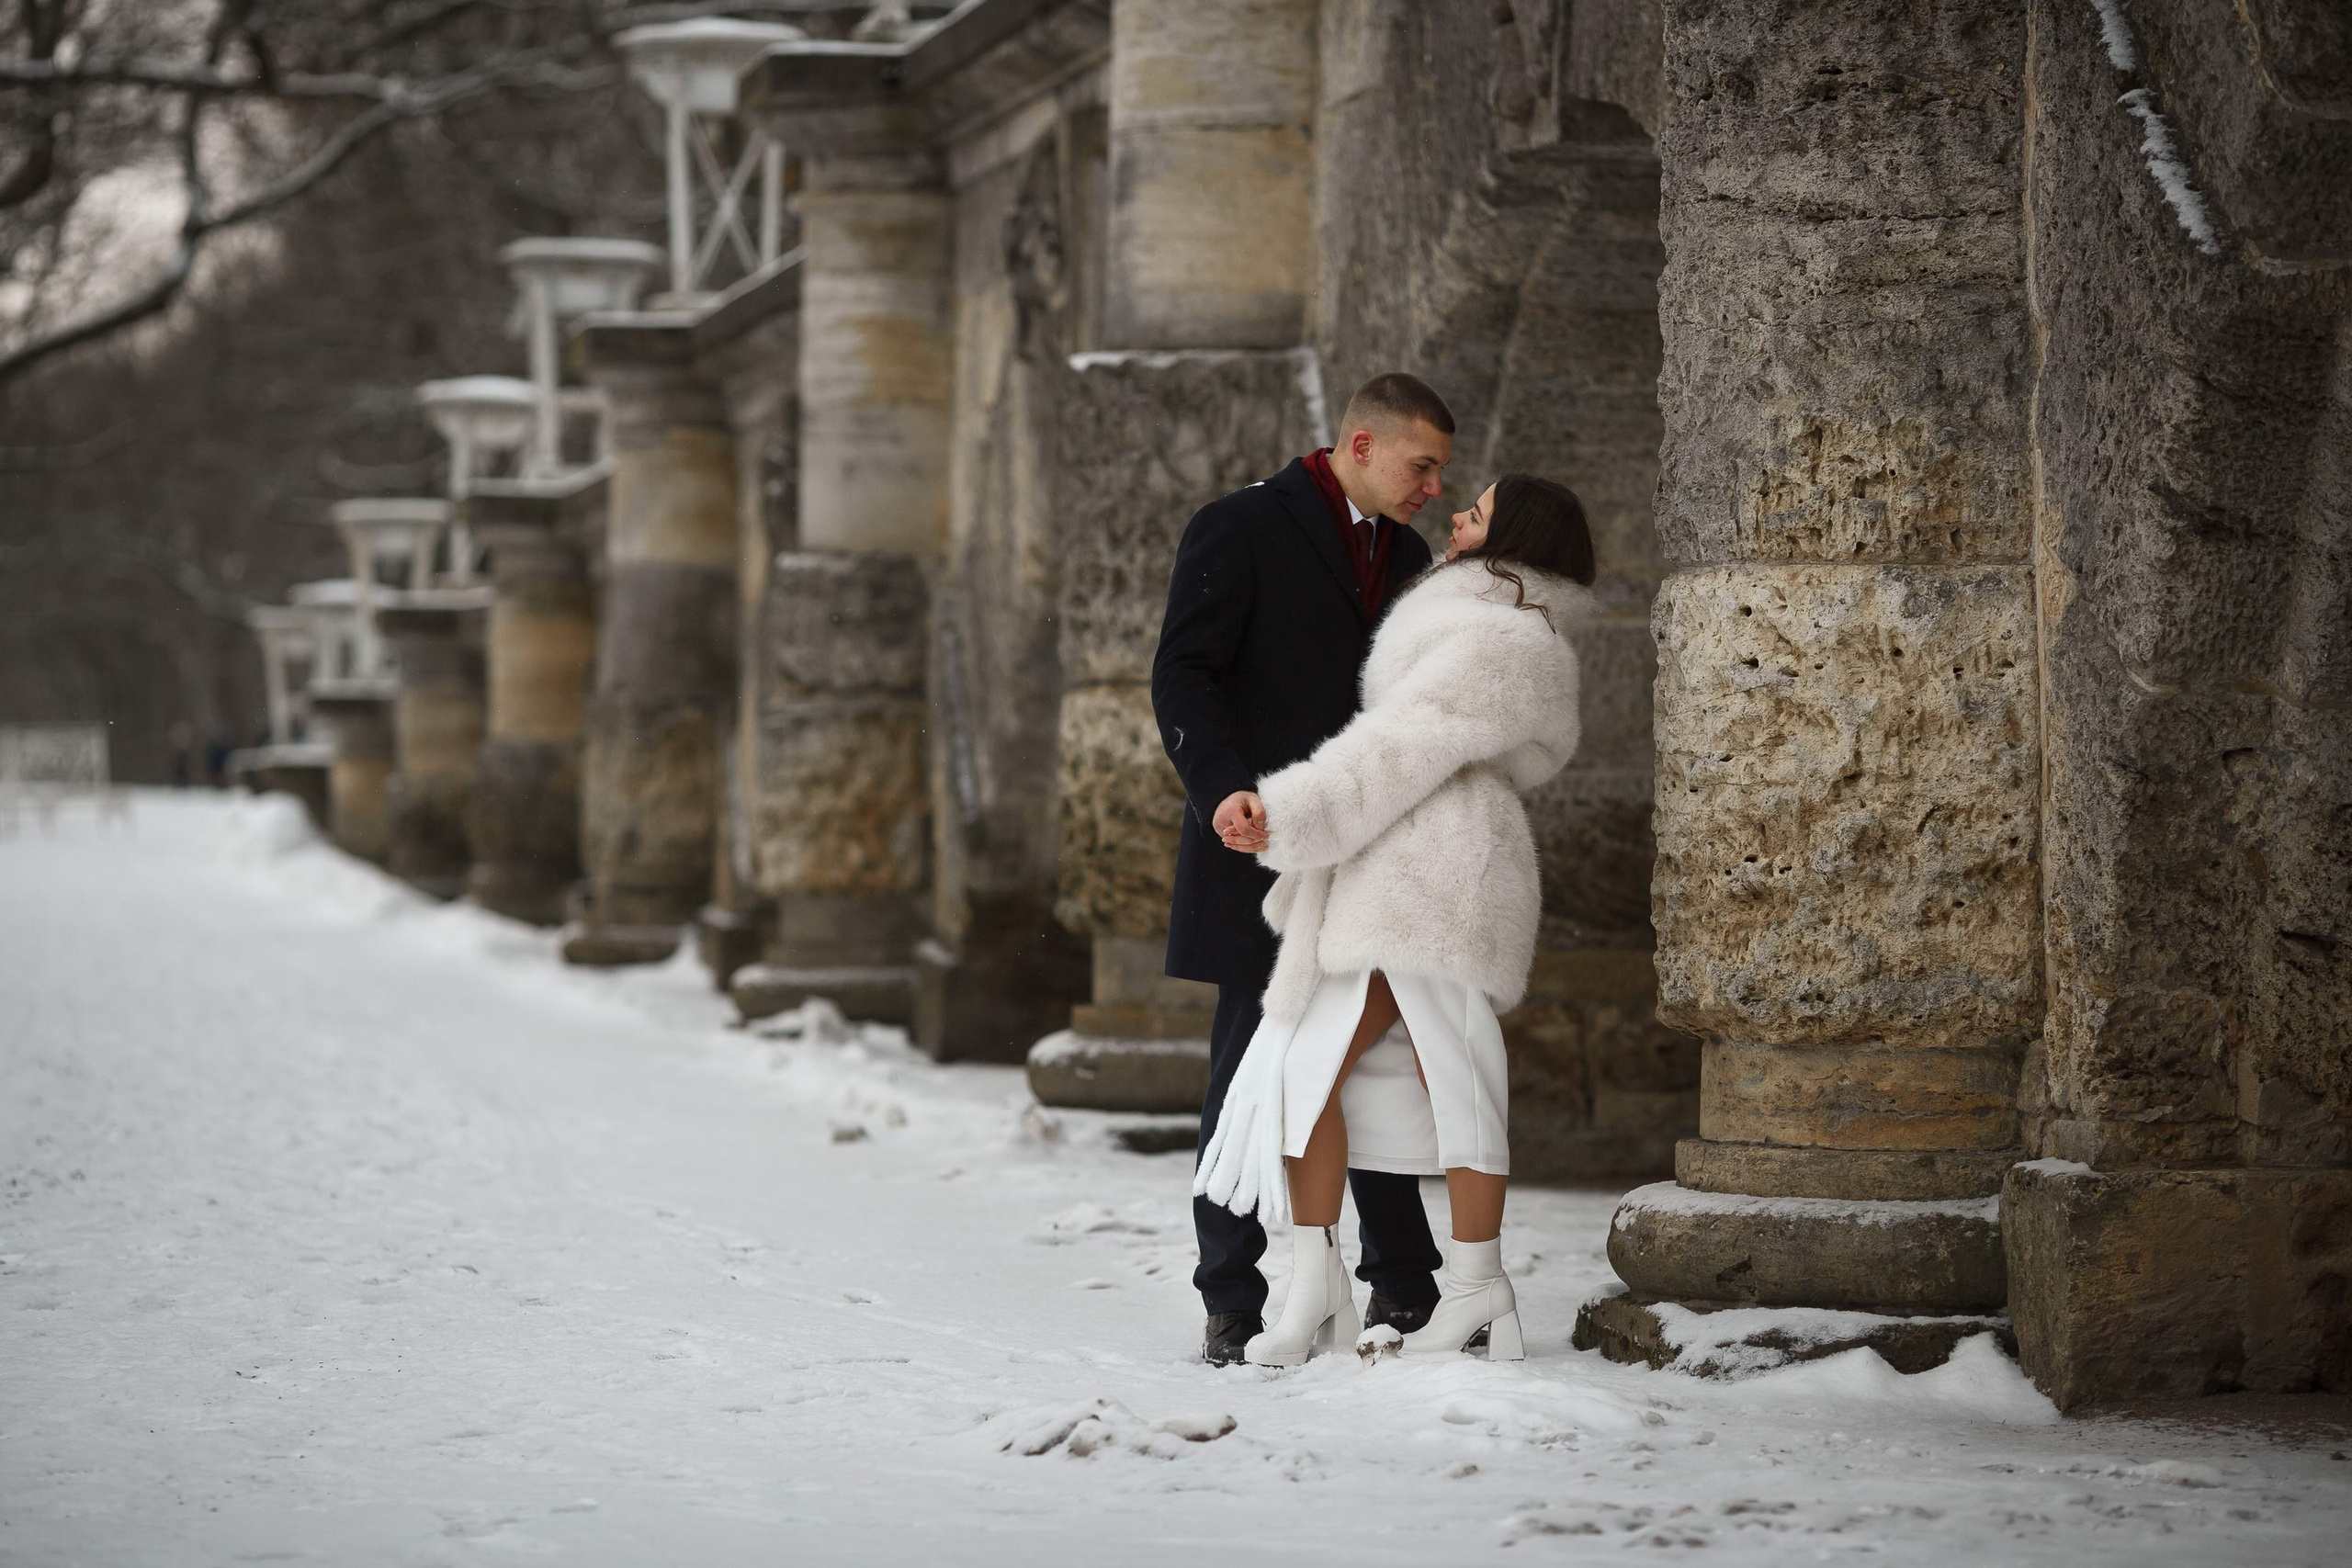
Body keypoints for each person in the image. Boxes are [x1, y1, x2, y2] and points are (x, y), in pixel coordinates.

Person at [1193, 472, 1596, 1367]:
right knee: (1318, 1074)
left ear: (1514, 537)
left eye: (1479, 511)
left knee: (1446, 1071)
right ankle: (1319, 1278)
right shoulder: (1471, 612)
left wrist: (1291, 809)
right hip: (1392, 861)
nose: (1456, 514)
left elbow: (1402, 744)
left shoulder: (1505, 636)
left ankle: (1474, 1284)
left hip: (1442, 871)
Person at [1150, 372, 1458, 1367]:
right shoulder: (1236, 526)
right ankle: (1230, 1297)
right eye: (1423, 466)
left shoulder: (1407, 556)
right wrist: (1223, 787)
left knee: (1373, 1061)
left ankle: (1401, 1285)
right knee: (1249, 1066)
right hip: (1259, 842)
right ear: (1362, 444)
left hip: (1369, 855)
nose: (1433, 487)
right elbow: (1183, 671)